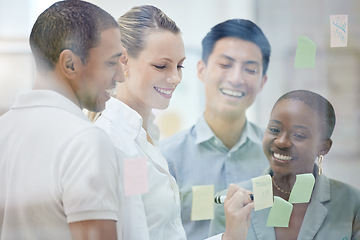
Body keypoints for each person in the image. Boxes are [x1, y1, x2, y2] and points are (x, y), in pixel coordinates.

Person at [94, 5, 254, 240]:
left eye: (179, 66)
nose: (175, 78)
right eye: (161, 66)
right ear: (123, 61)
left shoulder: (146, 136)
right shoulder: (112, 143)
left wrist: (229, 236)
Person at [0, 1, 125, 239]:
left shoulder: (3, 130)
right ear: (69, 64)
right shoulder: (85, 141)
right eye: (111, 62)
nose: (120, 76)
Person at [159, 19, 271, 240]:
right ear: (201, 70)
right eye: (225, 65)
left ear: (262, 82)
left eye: (250, 69)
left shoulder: (277, 157)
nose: (236, 78)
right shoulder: (166, 159)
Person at [209, 89, 360, 239]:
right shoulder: (229, 203)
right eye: (274, 129)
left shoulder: (353, 204)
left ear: (324, 147)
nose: (281, 141)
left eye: (299, 135)